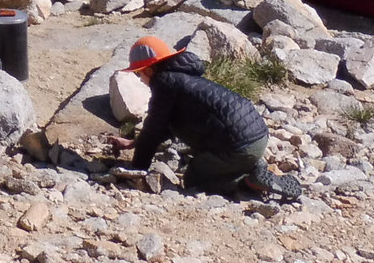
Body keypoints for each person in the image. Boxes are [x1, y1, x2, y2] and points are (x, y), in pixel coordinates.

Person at [107, 35, 301, 201]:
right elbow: (162, 127)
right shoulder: (183, 78)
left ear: (148, 70)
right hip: (257, 136)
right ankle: (253, 165)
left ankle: (247, 182)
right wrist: (133, 143)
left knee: (194, 180)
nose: (140, 78)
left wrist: (137, 169)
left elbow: (154, 130)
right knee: (204, 156)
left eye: (139, 73)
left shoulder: (164, 82)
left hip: (240, 146)